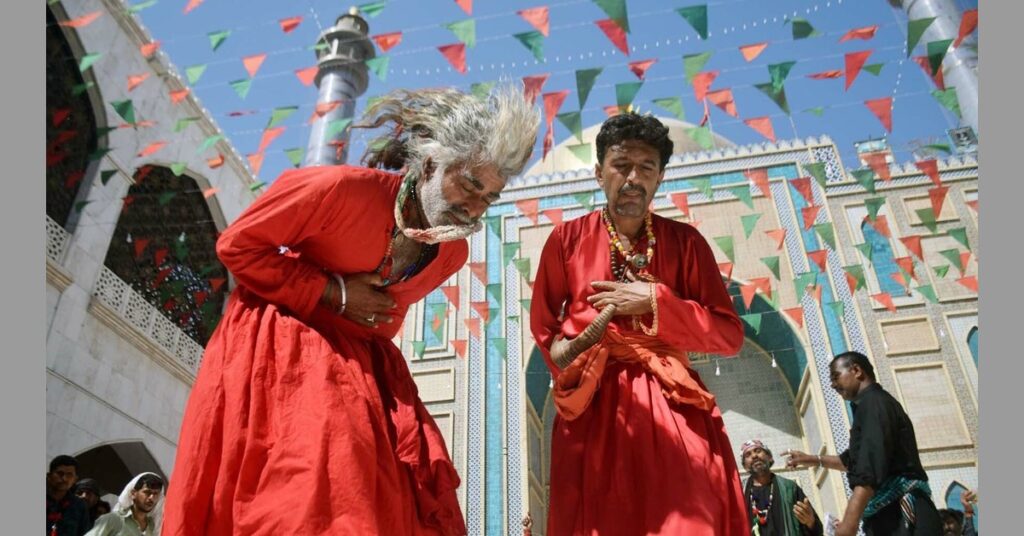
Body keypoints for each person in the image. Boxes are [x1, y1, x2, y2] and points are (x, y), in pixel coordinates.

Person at [160, 85, 539, 536]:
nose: (474, 207)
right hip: (281, 342)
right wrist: (331, 291)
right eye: (471, 184)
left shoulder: (450, 254)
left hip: (359, 364)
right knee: (304, 500)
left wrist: (358, 318)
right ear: (430, 164)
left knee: (388, 505)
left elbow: (384, 317)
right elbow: (237, 246)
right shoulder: (338, 189)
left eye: (489, 198)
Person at [530, 112, 748, 535]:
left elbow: (729, 335)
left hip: (673, 402)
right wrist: (573, 350)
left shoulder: (686, 243)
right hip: (594, 408)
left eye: (646, 167)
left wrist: (653, 301)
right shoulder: (566, 240)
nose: (633, 178)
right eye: (621, 165)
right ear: (599, 173)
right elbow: (544, 329)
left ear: (660, 177)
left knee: (691, 521)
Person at [784, 351, 942, 535]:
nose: (833, 384)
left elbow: (869, 466)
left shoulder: (874, 403)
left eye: (836, 377)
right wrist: (813, 459)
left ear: (857, 371)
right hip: (888, 515)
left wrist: (850, 522)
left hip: (902, 512)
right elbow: (853, 461)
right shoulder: (868, 406)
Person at [739, 439, 822, 536]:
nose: (754, 456)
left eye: (758, 451)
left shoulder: (790, 488)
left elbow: (816, 530)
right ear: (745, 466)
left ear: (769, 457)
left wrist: (810, 522)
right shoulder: (739, 492)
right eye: (748, 455)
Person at [85, 473, 164, 536]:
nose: (151, 498)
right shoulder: (113, 519)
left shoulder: (151, 528)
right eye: (147, 492)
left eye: (155, 494)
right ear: (133, 493)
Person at [46, 455, 92, 536]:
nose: (64, 478)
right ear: (49, 476)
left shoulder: (79, 506)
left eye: (69, 475)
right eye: (60, 473)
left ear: (75, 479)